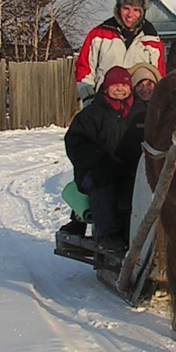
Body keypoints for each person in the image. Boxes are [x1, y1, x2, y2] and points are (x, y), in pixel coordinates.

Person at [63, 66, 140, 248]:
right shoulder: (91, 114)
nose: (120, 89)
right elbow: (76, 143)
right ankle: (108, 235)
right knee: (104, 182)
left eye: (124, 84)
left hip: (130, 168)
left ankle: (136, 235)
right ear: (106, 87)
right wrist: (100, 160)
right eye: (115, 85)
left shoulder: (139, 112)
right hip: (96, 170)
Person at [74, 0, 166, 101]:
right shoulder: (99, 35)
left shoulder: (152, 41)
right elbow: (84, 69)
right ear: (118, 8)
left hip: (138, 106)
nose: (130, 15)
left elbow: (159, 75)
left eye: (136, 10)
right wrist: (88, 98)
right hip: (102, 103)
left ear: (143, 12)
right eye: (126, 8)